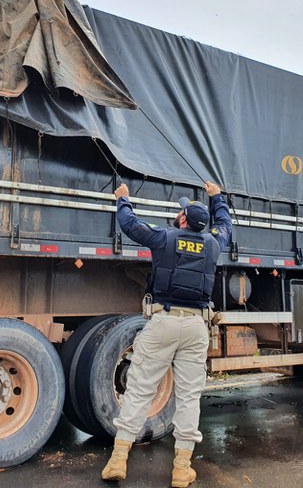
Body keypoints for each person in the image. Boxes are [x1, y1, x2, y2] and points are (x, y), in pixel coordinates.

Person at [101, 180, 232, 487]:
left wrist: (123, 199)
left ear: (183, 219)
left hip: (164, 321)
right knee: (188, 397)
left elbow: (130, 225)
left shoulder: (165, 238)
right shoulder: (214, 243)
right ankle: (181, 469)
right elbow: (225, 224)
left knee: (140, 390)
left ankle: (118, 460)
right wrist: (217, 198)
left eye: (180, 212)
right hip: (196, 327)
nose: (178, 214)